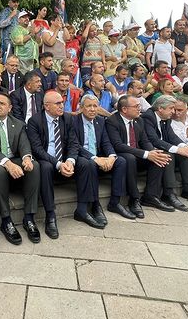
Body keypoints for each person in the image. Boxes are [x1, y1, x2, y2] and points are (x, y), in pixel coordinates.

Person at [26, 92, 97, 236]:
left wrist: (70, 161)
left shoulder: (68, 118)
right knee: (44, 167)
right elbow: (37, 149)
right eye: (57, 103)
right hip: (47, 160)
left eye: (62, 102)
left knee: (86, 163)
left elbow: (73, 144)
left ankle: (82, 210)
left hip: (65, 159)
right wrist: (58, 164)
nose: (61, 105)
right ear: (46, 106)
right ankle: (50, 215)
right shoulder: (35, 121)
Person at [0, 91, 41, 245]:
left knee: (35, 166)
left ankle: (29, 217)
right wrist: (8, 164)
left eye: (2, 104)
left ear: (10, 108)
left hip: (13, 158)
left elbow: (24, 144)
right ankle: (6, 220)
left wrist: (26, 158)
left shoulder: (17, 123)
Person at [106, 95, 171, 218]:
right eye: (136, 106)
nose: (139, 109)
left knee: (159, 156)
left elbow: (145, 141)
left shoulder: (139, 120)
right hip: (120, 154)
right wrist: (146, 154)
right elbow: (118, 145)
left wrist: (152, 152)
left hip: (137, 154)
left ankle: (151, 196)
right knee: (129, 158)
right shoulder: (112, 121)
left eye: (139, 106)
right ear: (124, 109)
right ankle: (134, 199)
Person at [142, 95, 188, 210]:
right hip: (151, 149)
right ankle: (169, 193)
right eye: (171, 108)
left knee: (187, 153)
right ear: (160, 109)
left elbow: (171, 136)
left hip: (163, 147)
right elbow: (154, 140)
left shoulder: (166, 117)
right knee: (169, 155)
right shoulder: (148, 117)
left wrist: (184, 147)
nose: (173, 112)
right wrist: (178, 149)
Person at [73, 94, 127, 225]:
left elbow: (106, 142)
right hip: (81, 157)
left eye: (95, 106)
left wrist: (111, 157)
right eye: (88, 106)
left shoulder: (100, 121)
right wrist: (95, 158)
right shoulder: (73, 121)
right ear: (81, 108)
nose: (92, 109)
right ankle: (95, 204)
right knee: (89, 164)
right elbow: (75, 145)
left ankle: (115, 201)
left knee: (121, 161)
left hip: (97, 156)